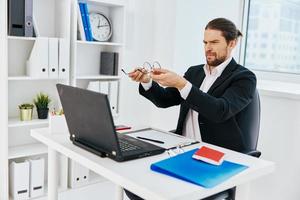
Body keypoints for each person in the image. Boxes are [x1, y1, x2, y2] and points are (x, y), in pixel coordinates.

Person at [125, 17, 257, 200]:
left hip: (215, 158)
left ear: (232, 43)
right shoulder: (195, 72)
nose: (207, 48)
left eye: (214, 42)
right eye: (205, 42)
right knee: (135, 186)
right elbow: (164, 100)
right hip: (184, 151)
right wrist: (147, 82)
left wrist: (182, 84)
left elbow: (220, 110)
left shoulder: (244, 78)